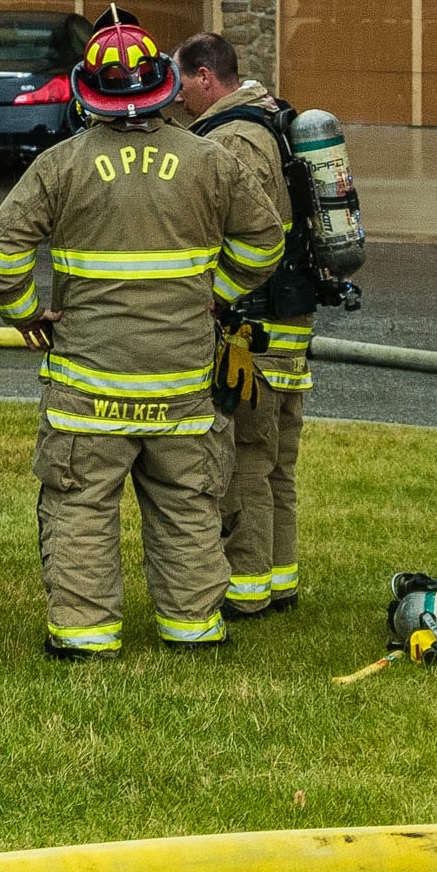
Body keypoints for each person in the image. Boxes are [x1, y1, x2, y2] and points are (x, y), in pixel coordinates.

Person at [0, 21, 290, 656]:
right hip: (181, 384)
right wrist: (218, 294)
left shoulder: (58, 165)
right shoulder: (211, 160)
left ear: (87, 92)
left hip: (88, 388)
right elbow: (266, 242)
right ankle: (191, 627)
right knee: (188, 505)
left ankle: (84, 634)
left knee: (81, 508)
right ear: (164, 86)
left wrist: (27, 315)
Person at [178, 33, 316, 617]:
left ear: (206, 78)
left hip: (253, 327)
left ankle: (246, 587)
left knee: (248, 461)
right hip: (287, 320)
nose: (177, 95)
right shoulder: (271, 120)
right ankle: (279, 578)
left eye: (182, 81)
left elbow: (251, 232)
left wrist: (218, 296)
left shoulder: (233, 137)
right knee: (277, 461)